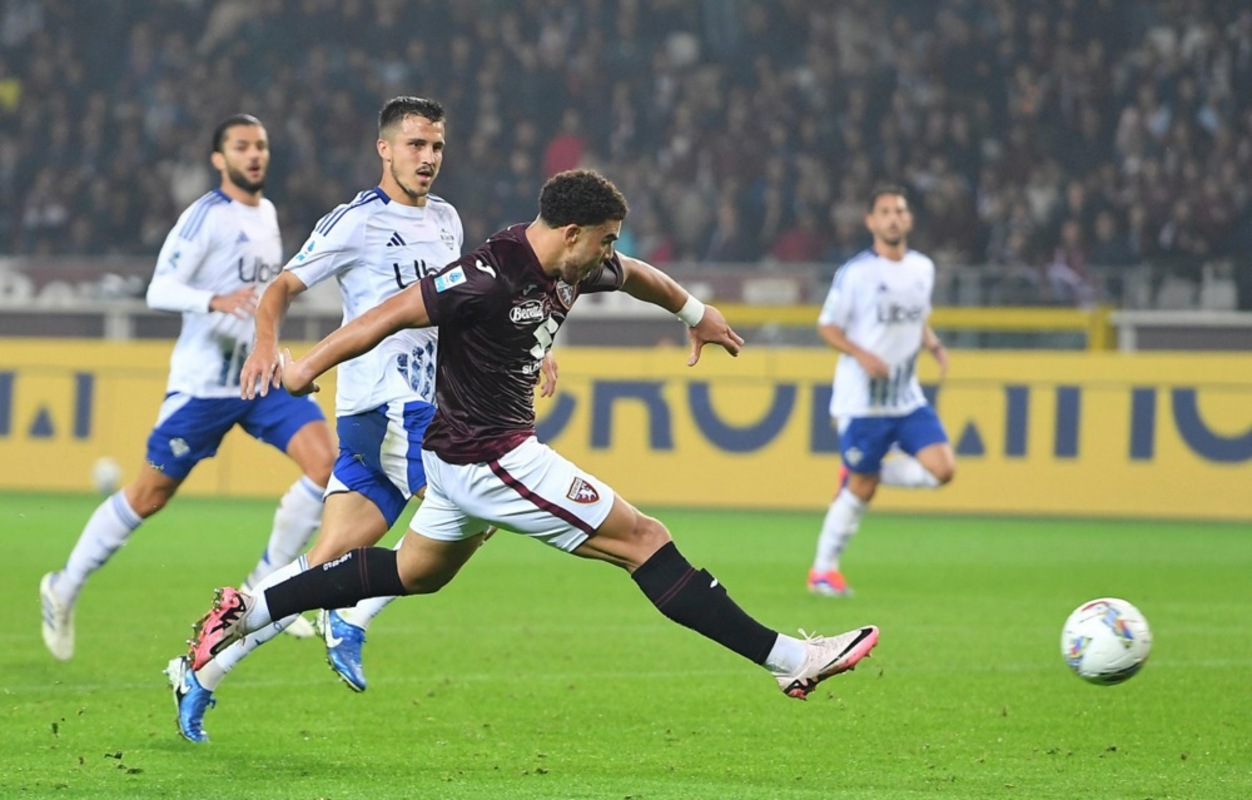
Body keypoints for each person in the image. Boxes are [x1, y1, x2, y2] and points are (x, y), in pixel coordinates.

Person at [185, 168, 880, 706]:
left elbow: (636, 276)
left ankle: (249, 612)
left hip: (461, 462)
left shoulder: (573, 261)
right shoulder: (487, 276)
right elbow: (390, 314)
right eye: (604, 238)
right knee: (645, 540)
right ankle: (792, 659)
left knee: (411, 573)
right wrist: (306, 364)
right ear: (572, 231)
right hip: (493, 457)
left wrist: (694, 312)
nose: (610, 252)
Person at [165, 96, 492, 743]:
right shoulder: (356, 221)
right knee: (483, 502)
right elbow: (282, 287)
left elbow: (450, 312)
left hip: (414, 405)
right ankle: (359, 616)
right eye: (415, 146)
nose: (427, 159)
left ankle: (199, 672)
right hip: (386, 403)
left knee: (323, 566)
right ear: (386, 149)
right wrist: (266, 344)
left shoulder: (448, 220)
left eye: (436, 148)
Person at [39, 114, 336, 661]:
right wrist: (213, 301)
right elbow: (159, 288)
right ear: (218, 159)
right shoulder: (205, 217)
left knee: (328, 465)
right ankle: (63, 585)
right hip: (202, 389)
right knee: (147, 496)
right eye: (241, 147)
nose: (254, 155)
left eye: (261, 146)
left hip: (257, 379)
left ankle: (264, 590)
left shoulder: (267, 214)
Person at [808, 186, 956, 597]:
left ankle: (860, 469)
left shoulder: (923, 268)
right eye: (885, 212)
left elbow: (915, 316)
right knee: (862, 490)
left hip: (906, 396)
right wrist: (861, 354)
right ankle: (823, 570)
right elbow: (827, 326)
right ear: (871, 221)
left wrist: (933, 342)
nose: (893, 218)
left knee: (942, 471)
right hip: (862, 402)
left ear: (908, 220)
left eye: (900, 211)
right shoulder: (856, 273)